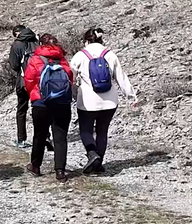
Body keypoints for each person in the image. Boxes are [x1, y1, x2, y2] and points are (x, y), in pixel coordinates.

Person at [69, 28, 137, 174]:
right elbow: (121, 77)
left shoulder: (80, 56)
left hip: (87, 101)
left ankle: (92, 154)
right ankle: (99, 163)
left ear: (86, 41)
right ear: (101, 40)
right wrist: (131, 96)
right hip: (109, 101)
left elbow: (71, 78)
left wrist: (74, 94)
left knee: (86, 131)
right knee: (102, 132)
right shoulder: (110, 55)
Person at [23, 33, 75, 182]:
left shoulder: (35, 59)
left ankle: (35, 166)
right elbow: (69, 77)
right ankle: (60, 171)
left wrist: (34, 95)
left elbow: (29, 80)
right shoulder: (62, 59)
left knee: (39, 135)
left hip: (41, 103)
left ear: (41, 44)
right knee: (60, 137)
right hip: (61, 102)